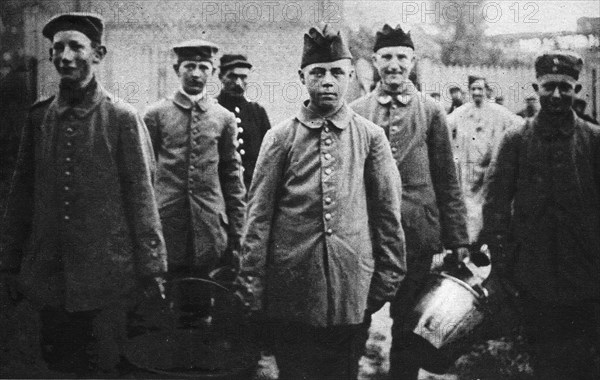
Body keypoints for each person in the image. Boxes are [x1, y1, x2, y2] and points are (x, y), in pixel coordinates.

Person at [0, 13, 167, 375]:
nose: (65, 56)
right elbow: (21, 197)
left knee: (102, 366)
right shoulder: (38, 117)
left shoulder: (122, 117)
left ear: (98, 53)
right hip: (49, 278)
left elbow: (142, 198)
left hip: (108, 279)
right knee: (57, 365)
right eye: (57, 48)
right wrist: (9, 261)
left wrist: (152, 270)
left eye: (76, 46)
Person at [237, 23, 406, 380]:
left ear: (349, 75)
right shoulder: (280, 138)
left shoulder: (371, 138)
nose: (327, 81)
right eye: (318, 72)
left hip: (351, 290)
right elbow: (258, 218)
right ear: (302, 76)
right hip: (291, 290)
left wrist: (387, 278)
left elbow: (387, 215)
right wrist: (252, 281)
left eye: (335, 72)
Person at [350, 24, 469, 380]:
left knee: (408, 324)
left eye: (402, 57)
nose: (394, 65)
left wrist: (458, 240)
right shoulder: (357, 111)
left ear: (413, 61)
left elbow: (447, 178)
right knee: (357, 319)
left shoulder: (431, 111)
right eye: (387, 57)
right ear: (374, 61)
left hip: (416, 237)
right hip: (367, 236)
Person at [481, 51, 600, 380]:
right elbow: (496, 206)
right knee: (545, 359)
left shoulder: (594, 140)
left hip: (587, 277)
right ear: (536, 87)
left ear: (577, 89)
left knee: (587, 361)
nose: (558, 95)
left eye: (565, 87)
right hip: (534, 276)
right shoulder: (516, 140)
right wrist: (503, 266)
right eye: (549, 87)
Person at [143, 41, 245, 321]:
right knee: (165, 304)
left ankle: (199, 357)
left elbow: (231, 175)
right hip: (167, 224)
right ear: (177, 69)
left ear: (212, 72)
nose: (196, 73)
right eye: (190, 66)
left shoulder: (223, 118)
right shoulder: (156, 115)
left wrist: (236, 229)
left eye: (203, 67)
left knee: (203, 301)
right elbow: (144, 175)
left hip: (209, 226)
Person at [447, 75, 522, 243]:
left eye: (480, 89)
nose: (476, 92)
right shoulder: (462, 112)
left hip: (490, 169)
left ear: (487, 91)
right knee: (468, 206)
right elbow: (444, 125)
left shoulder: (498, 112)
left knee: (488, 205)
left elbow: (519, 126)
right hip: (468, 169)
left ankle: (484, 244)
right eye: (473, 89)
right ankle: (469, 245)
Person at [216, 54, 271, 190]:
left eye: (243, 77)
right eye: (233, 77)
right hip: (220, 190)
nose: (238, 83)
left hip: (251, 189)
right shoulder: (212, 110)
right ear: (221, 77)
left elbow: (268, 155)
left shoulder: (257, 112)